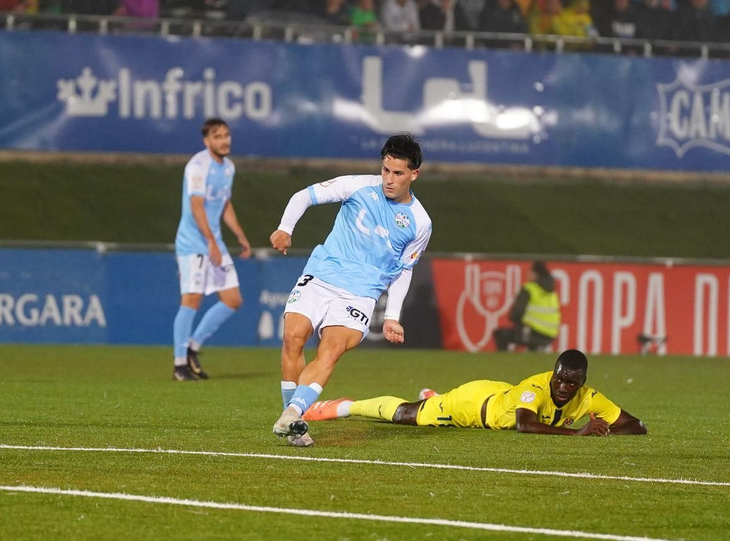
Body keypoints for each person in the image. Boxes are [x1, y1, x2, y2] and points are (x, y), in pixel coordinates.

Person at [267, 134, 433, 447]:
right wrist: (285, 229)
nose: (389, 179)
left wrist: (392, 316)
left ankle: (292, 414)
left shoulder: (420, 223)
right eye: (385, 170)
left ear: (414, 174)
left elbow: (404, 269)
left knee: (330, 351)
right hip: (321, 275)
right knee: (292, 338)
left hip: (360, 293)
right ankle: (293, 420)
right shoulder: (357, 185)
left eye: (398, 173)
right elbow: (304, 196)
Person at [302, 349, 645, 436]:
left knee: (428, 405)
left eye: (572, 383)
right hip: (472, 405)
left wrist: (607, 429)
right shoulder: (535, 388)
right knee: (406, 414)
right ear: (553, 374)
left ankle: (434, 397)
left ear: (582, 383)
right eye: (561, 379)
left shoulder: (590, 397)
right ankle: (346, 406)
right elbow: (525, 425)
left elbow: (637, 426)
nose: (564, 387)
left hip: (500, 394)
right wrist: (579, 433)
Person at [170, 118, 254, 381]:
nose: (224, 140)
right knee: (191, 301)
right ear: (207, 141)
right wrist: (211, 242)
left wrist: (240, 235)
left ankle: (192, 348)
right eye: (217, 136)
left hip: (213, 242)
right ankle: (179, 365)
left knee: (232, 300)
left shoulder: (228, 167)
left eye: (226, 135)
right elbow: (196, 205)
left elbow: (224, 204)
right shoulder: (198, 165)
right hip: (193, 244)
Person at [493, 261, 561, 352]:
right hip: (550, 335)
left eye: (530, 272)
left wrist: (515, 320)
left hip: (533, 333)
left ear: (535, 274)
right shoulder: (552, 293)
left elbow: (517, 312)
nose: (528, 274)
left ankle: (504, 358)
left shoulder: (529, 289)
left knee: (500, 334)